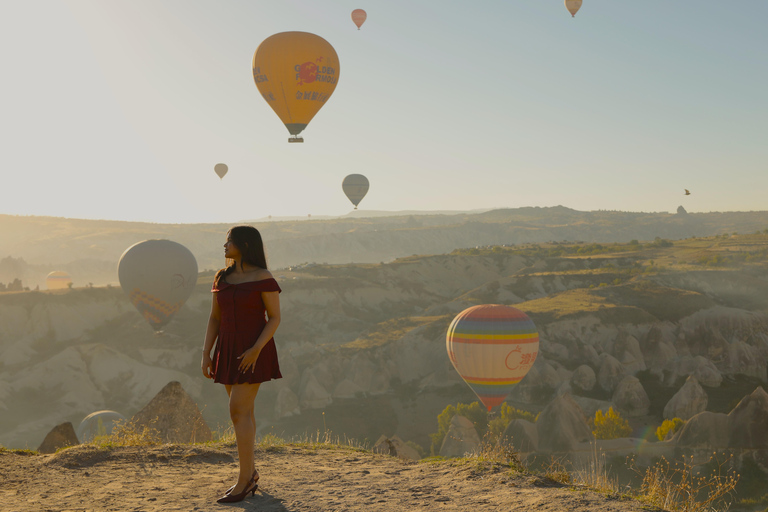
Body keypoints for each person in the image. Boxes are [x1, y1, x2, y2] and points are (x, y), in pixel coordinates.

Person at [201, 225, 282, 503]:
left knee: (237, 411)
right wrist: (206, 352)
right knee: (242, 414)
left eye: (230, 241)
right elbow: (214, 317)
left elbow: (274, 318)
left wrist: (256, 350)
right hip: (227, 347)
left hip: (253, 349)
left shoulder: (263, 277)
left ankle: (244, 481)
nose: (225, 246)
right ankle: (251, 473)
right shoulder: (222, 277)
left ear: (245, 244)